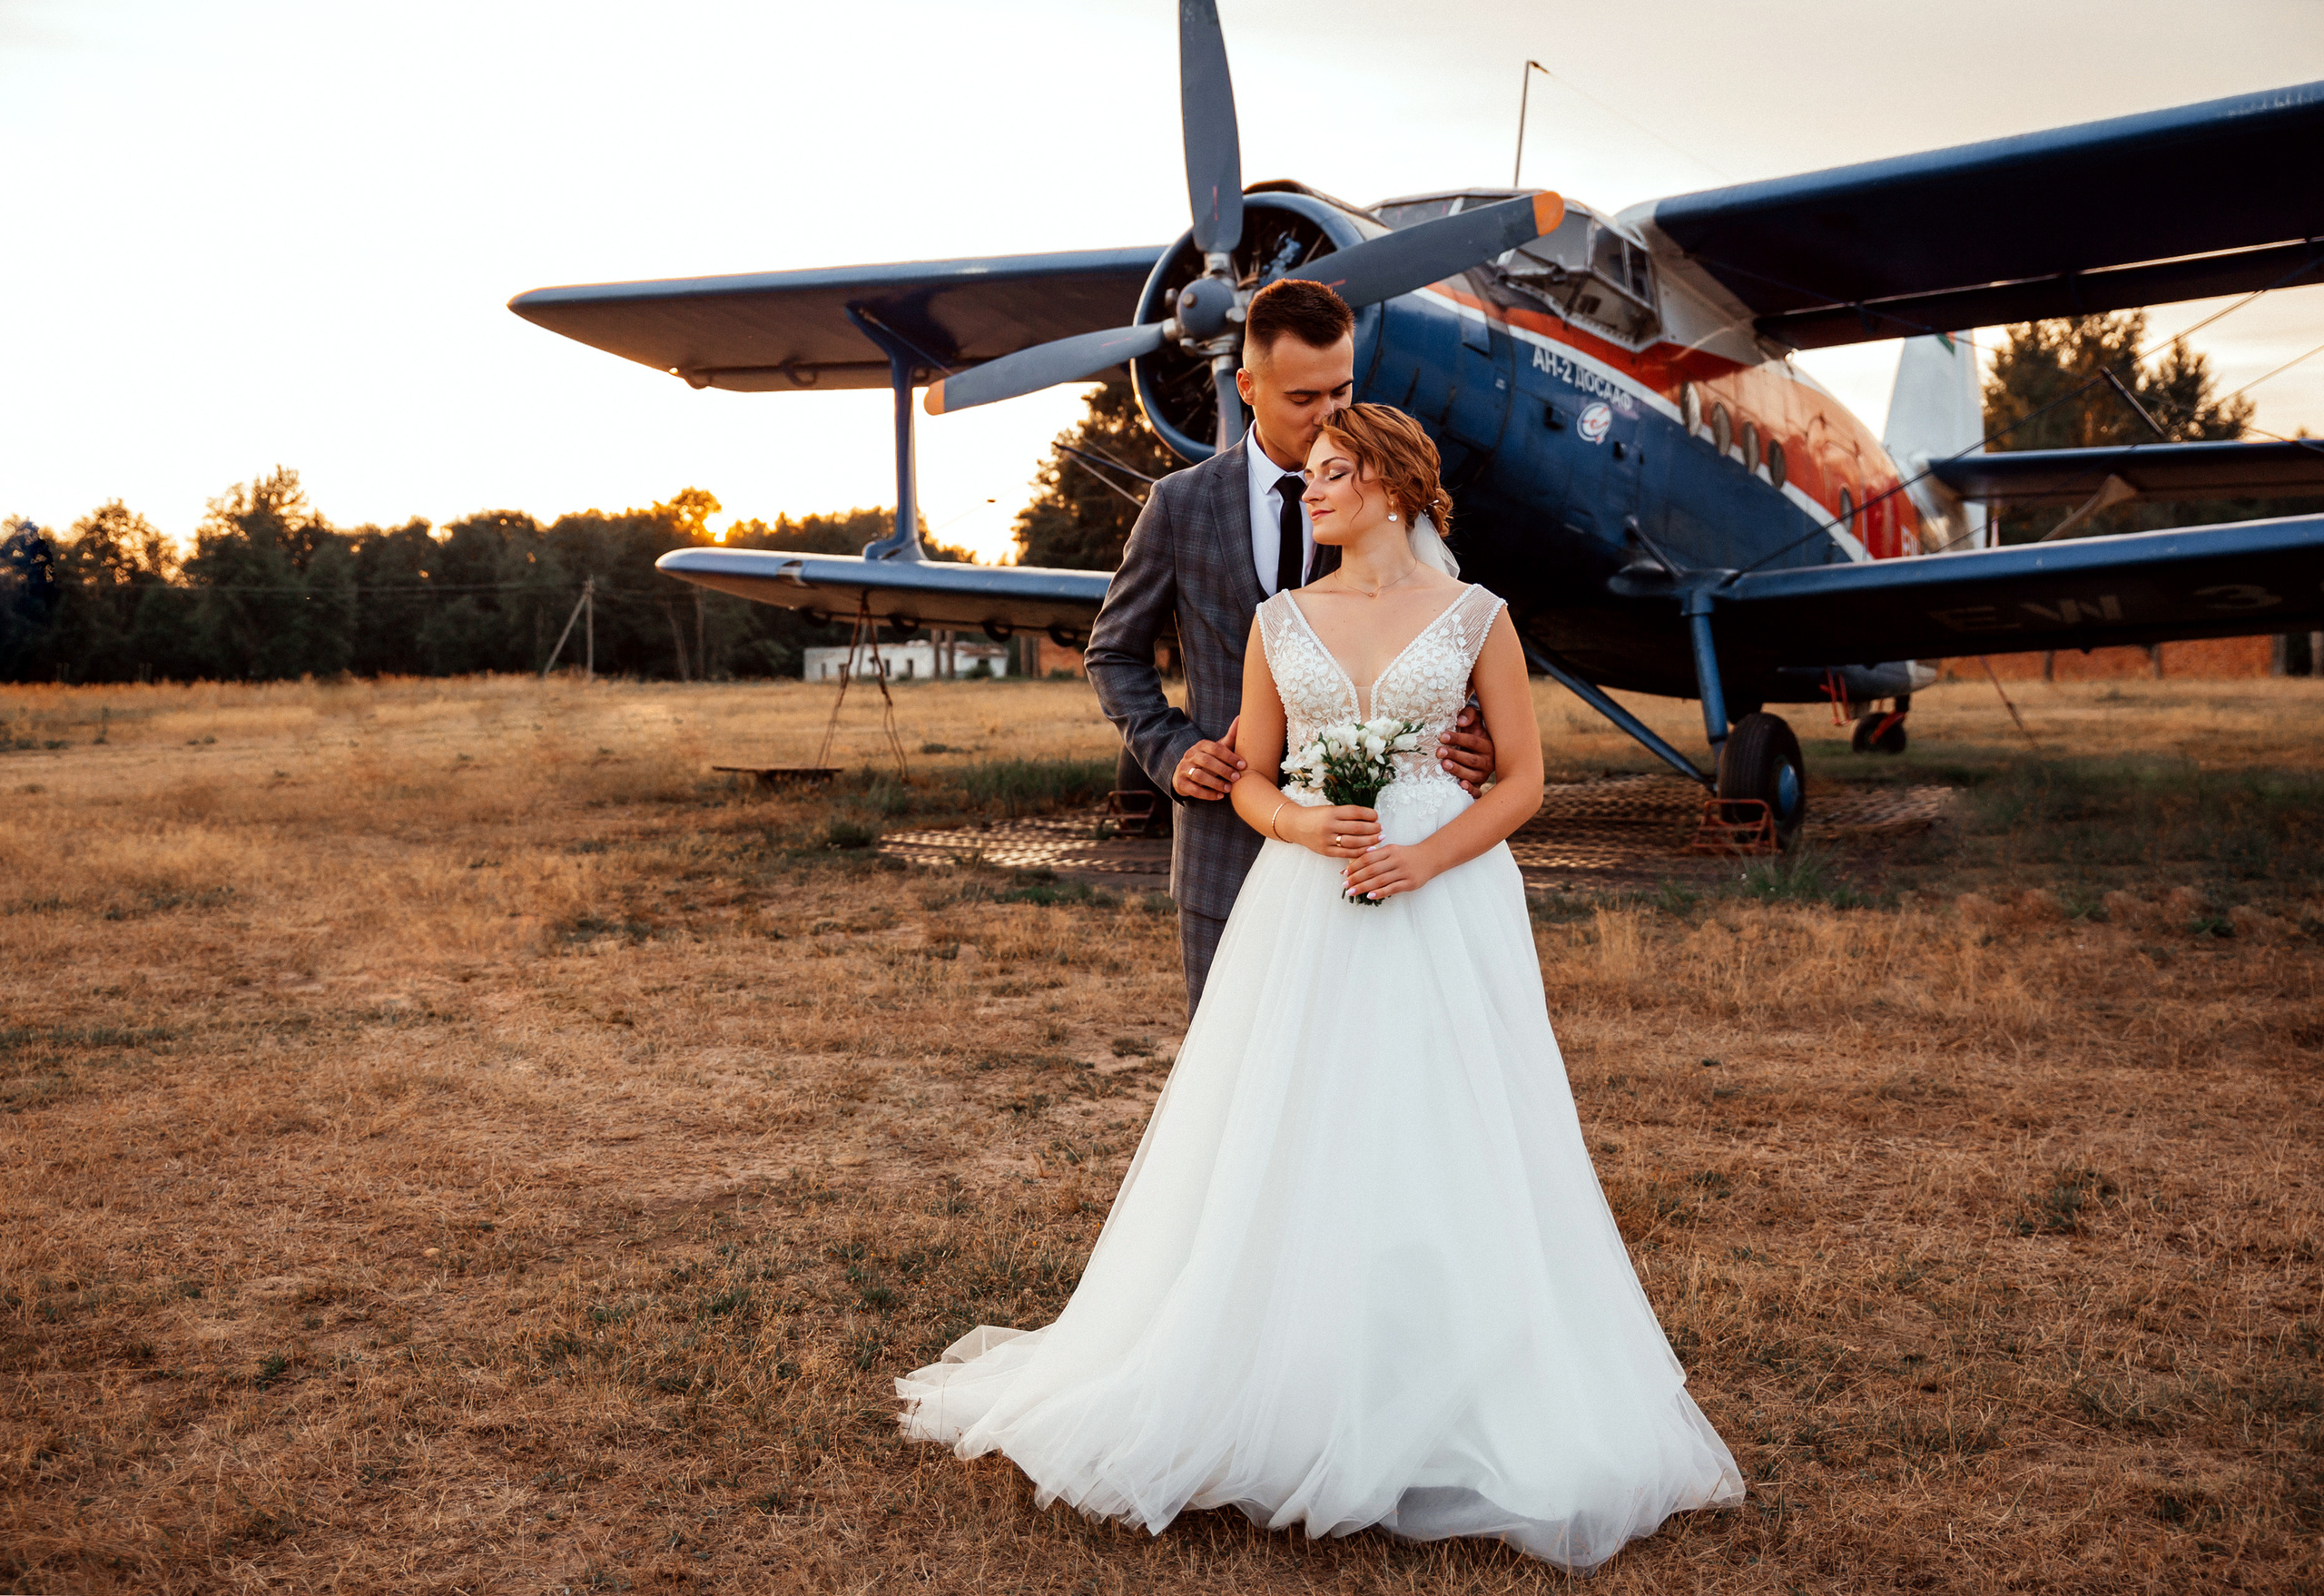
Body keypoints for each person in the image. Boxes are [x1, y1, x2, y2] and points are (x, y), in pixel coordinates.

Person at [898, 404, 1745, 1571]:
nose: (1311, 490)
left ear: (1392, 488)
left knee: (1450, 1126)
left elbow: (1525, 781)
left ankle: (1456, 1380)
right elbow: (1246, 777)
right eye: (1311, 476)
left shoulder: (1478, 618)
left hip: (1445, 897)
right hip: (1306, 899)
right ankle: (1281, 1377)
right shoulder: (1276, 621)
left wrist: (1425, 855)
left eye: (1335, 474)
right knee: (1298, 1120)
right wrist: (1298, 821)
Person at [1083, 279, 1495, 1018]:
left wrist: (1466, 737)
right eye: (1303, 399)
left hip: (1373, 855)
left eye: (1341, 391)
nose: (1329, 416)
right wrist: (1173, 751)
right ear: (1247, 386)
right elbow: (1113, 652)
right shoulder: (1179, 505)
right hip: (1223, 851)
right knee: (1236, 1084)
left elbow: (1435, 638)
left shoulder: (1389, 501)